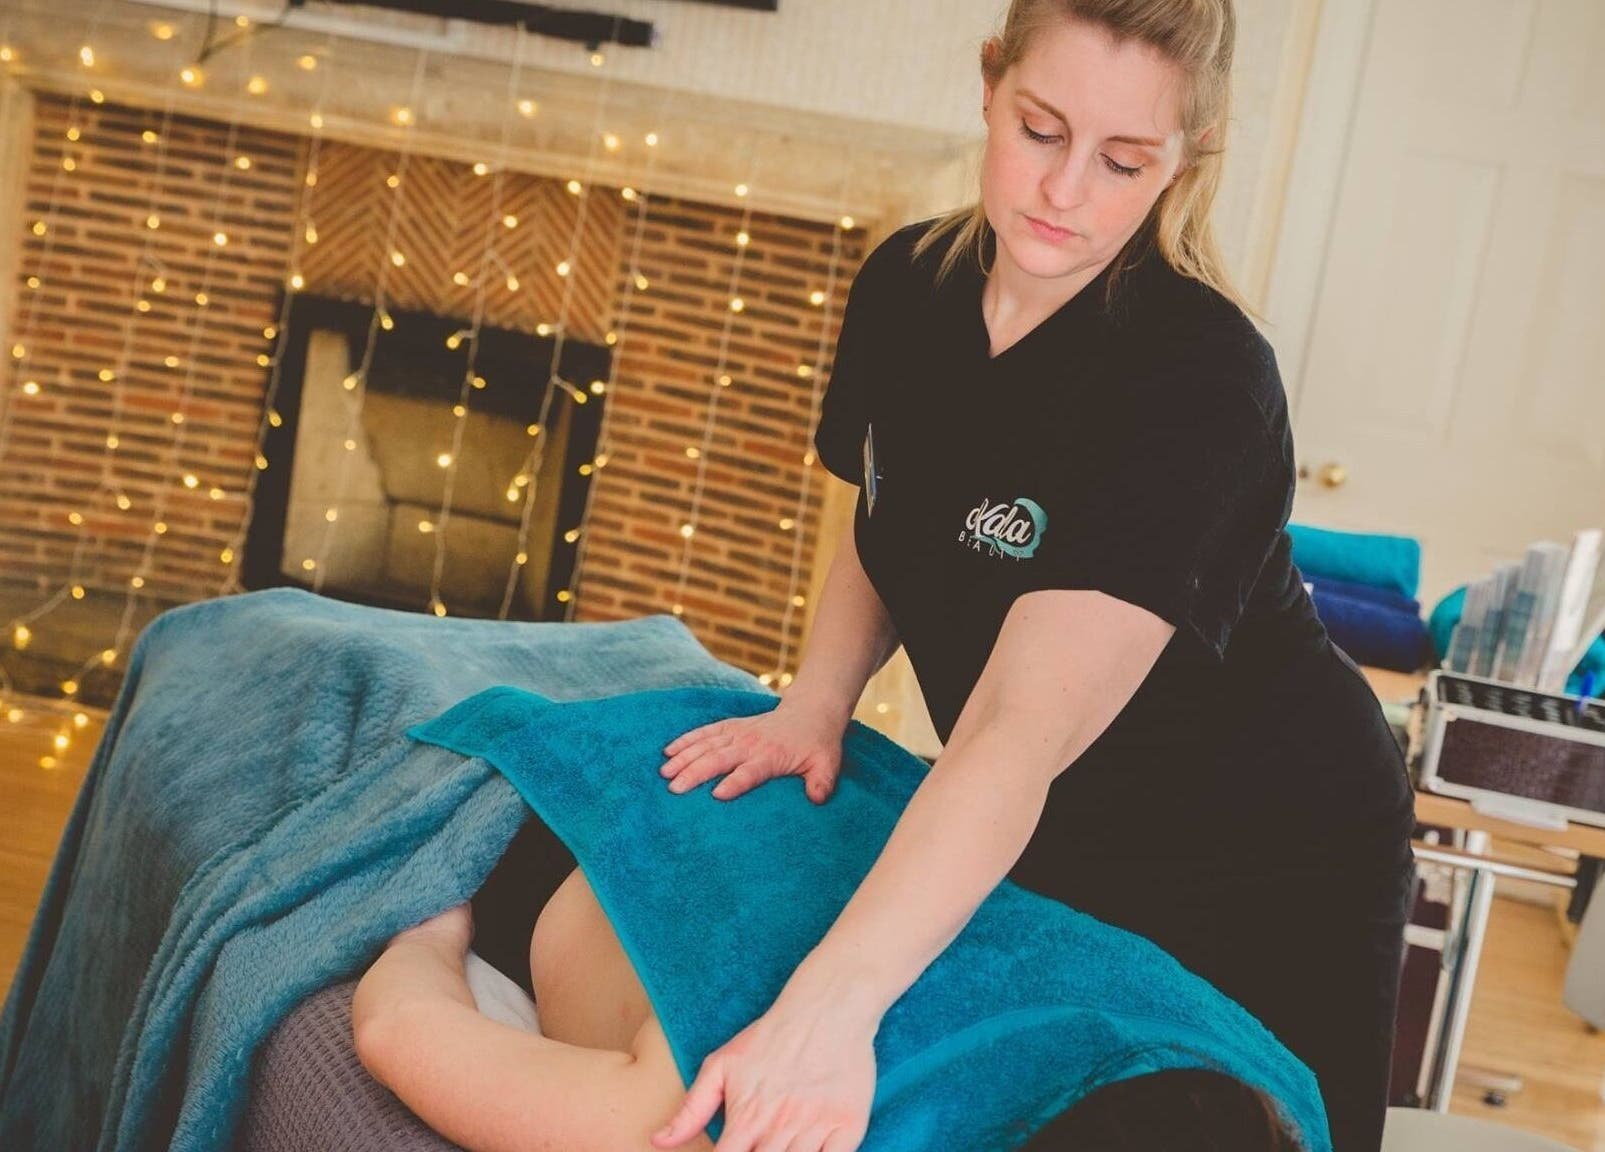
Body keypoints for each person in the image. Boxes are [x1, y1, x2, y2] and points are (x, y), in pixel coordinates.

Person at [647, 4, 1416, 1152]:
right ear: (990, 83)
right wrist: (816, 701)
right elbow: (879, 512)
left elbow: (1015, 731)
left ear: (1187, 158)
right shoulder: (908, 283)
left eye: (1122, 161)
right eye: (1040, 130)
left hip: (1268, 855)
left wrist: (825, 1014)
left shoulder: (1200, 385)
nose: (1064, 189)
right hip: (1042, 823)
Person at [352, 811, 1309, 1151]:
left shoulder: (1261, 1086)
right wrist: (433, 934)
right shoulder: (744, 1114)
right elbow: (399, 1028)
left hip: (811, 798)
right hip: (597, 822)